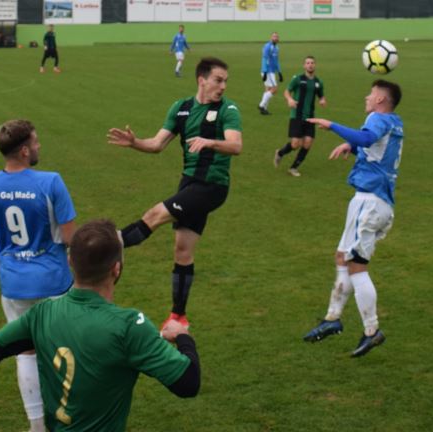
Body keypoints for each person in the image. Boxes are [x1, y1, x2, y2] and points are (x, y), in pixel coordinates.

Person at [0, 219, 200, 432]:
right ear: (116, 269)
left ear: (70, 261)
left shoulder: (42, 314)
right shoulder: (129, 326)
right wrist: (183, 338)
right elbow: (188, 383)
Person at [107, 57, 242, 329]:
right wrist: (134, 142)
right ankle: (178, 316)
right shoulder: (181, 108)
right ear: (201, 80)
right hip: (189, 184)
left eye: (225, 81)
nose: (223, 86)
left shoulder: (228, 109)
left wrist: (210, 142)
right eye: (218, 80)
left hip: (212, 186)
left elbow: (235, 145)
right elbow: (157, 144)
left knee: (155, 214)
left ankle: (109, 246)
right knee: (182, 251)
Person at [0, 119, 77, 431]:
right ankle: (69, 416)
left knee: (26, 354)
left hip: (14, 286)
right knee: (65, 350)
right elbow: (71, 238)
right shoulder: (51, 182)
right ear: (25, 151)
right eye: (36, 141)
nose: (40, 145)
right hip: (55, 283)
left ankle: (37, 425)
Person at [304, 79, 404, 357]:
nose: (366, 97)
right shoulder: (395, 122)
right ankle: (332, 318)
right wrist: (352, 146)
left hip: (369, 202)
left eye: (371, 94)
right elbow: (375, 146)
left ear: (380, 100)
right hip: (375, 202)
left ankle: (372, 331)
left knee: (357, 266)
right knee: (342, 257)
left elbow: (368, 138)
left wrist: (332, 125)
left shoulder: (377, 119)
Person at [274, 56, 327, 177]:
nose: (310, 65)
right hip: (297, 116)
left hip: (310, 117)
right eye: (307, 63)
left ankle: (293, 168)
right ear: (304, 66)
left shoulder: (318, 82)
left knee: (308, 143)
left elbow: (321, 95)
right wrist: (290, 99)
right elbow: (287, 91)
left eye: (312, 63)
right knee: (295, 144)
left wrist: (322, 100)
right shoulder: (298, 79)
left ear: (315, 65)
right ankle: (280, 153)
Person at [258, 32, 282, 115]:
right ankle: (261, 105)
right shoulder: (267, 46)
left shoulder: (276, 48)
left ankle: (264, 109)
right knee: (274, 89)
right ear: (271, 38)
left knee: (268, 90)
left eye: (277, 37)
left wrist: (279, 72)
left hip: (272, 71)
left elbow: (276, 61)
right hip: (268, 71)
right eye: (274, 36)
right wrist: (265, 72)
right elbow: (265, 59)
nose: (275, 38)